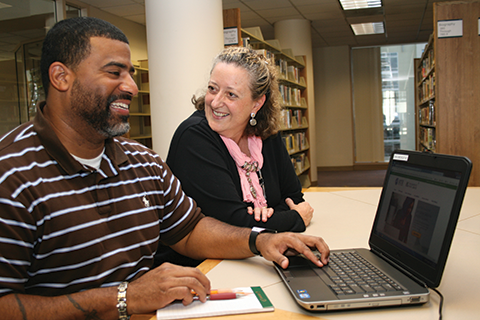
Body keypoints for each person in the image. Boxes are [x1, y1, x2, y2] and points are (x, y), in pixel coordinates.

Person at [0, 17, 329, 319]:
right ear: (61, 77)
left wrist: (259, 241)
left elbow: (191, 230)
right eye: (115, 73)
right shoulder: (11, 175)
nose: (131, 86)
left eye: (130, 73)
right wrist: (124, 298)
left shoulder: (144, 163)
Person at [158, 47, 314, 266]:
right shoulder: (194, 137)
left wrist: (262, 217)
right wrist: (294, 218)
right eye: (213, 89)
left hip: (255, 258)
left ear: (257, 103)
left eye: (231, 94)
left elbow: (293, 196)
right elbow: (233, 224)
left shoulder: (267, 136)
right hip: (204, 267)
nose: (215, 102)